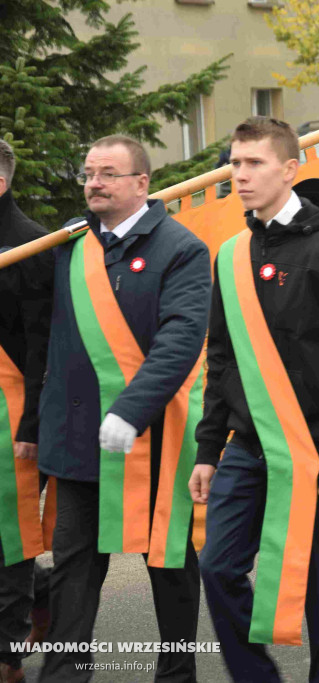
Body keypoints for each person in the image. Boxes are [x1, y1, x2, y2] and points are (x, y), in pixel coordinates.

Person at [190, 117, 319, 682]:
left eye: (254, 163)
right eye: (234, 163)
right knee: (217, 567)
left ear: (289, 169)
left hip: (317, 451)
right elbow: (222, 359)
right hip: (247, 446)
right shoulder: (231, 255)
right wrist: (208, 450)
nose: (241, 174)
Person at [37, 136, 210, 682]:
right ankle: (65, 676)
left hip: (154, 440)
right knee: (73, 572)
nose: (94, 183)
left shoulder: (180, 249)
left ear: (142, 183)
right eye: (89, 173)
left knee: (170, 568)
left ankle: (177, 675)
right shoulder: (69, 244)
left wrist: (132, 409)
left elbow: (181, 340)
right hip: (79, 440)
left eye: (109, 173)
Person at [0, 140, 54, 683]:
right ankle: (48, 596)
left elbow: (43, 349)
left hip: (14, 416)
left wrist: (31, 425)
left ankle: (7, 657)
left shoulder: (31, 247)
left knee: (7, 537)